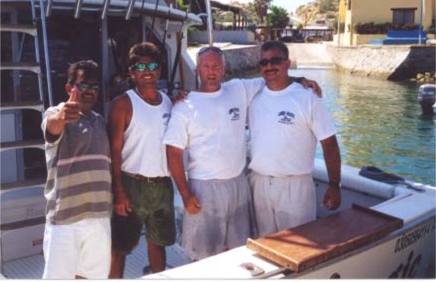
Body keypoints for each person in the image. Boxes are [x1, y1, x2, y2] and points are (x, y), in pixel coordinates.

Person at [163, 46, 322, 261]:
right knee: (203, 255)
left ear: (224, 68)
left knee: (239, 252)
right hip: (204, 187)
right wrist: (185, 195)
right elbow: (173, 154)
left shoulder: (238, 89)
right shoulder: (184, 106)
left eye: (216, 66)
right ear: (198, 70)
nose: (211, 71)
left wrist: (301, 79)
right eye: (206, 66)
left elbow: (273, 77)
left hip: (239, 184)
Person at [247, 40, 342, 238]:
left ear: (287, 63)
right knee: (264, 243)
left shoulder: (308, 97)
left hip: (295, 188)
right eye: (264, 63)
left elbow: (329, 143)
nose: (269, 66)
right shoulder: (253, 95)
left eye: (275, 61)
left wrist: (334, 184)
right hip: (259, 184)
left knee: (301, 242)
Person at [108, 42, 175, 277]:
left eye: (153, 65)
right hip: (131, 186)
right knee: (120, 249)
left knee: (158, 244)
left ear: (159, 70)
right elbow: (114, 152)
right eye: (140, 66)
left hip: (162, 186)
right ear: (131, 72)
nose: (147, 71)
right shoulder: (122, 104)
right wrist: (119, 192)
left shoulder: (168, 101)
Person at [41, 60, 112, 279]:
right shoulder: (56, 113)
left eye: (94, 87)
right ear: (69, 88)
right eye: (83, 85)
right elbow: (51, 129)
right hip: (65, 219)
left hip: (99, 217)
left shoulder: (100, 121)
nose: (89, 91)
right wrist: (61, 117)